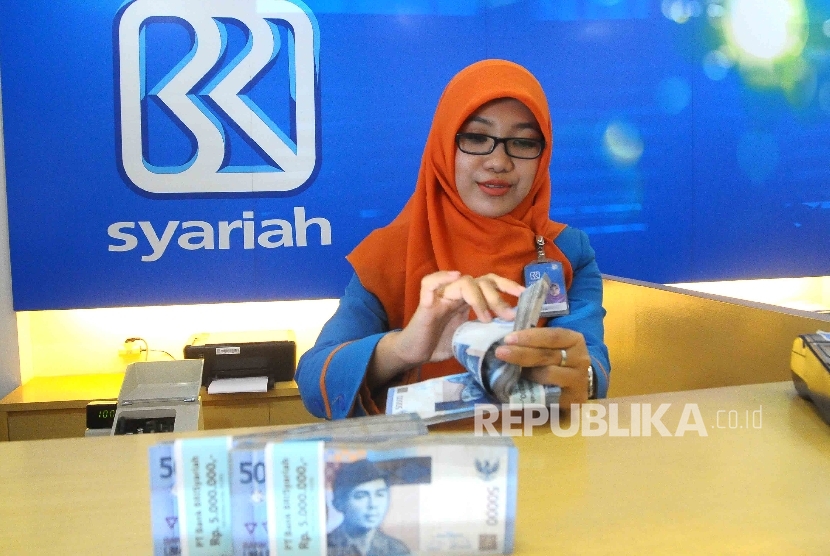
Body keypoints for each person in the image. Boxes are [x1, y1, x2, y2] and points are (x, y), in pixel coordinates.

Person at [296, 59, 610, 419]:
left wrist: (579, 378)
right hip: (415, 463)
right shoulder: (390, 252)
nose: (498, 161)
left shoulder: (568, 251)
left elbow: (591, 362)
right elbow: (313, 381)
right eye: (477, 138)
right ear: (444, 145)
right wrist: (405, 347)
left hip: (540, 459)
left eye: (523, 142)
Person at [327, 460, 410, 556]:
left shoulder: (396, 549)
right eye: (361, 496)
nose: (373, 504)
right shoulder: (324, 545)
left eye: (379, 495)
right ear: (339, 503)